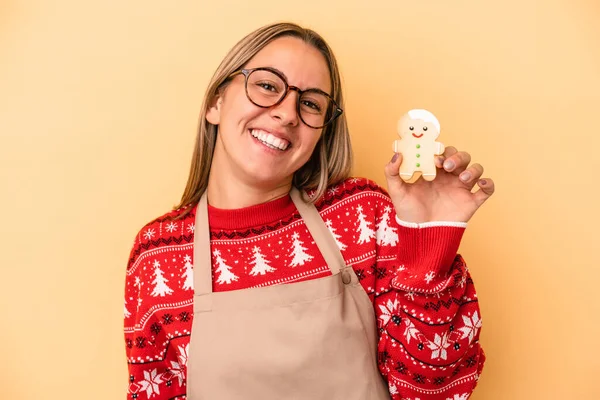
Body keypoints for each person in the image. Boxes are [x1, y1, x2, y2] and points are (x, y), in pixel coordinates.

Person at [123, 22, 495, 400]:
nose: (287, 114)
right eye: (268, 86)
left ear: (321, 135)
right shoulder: (158, 255)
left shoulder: (361, 216)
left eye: (310, 103)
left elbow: (433, 393)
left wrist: (429, 240)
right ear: (215, 103)